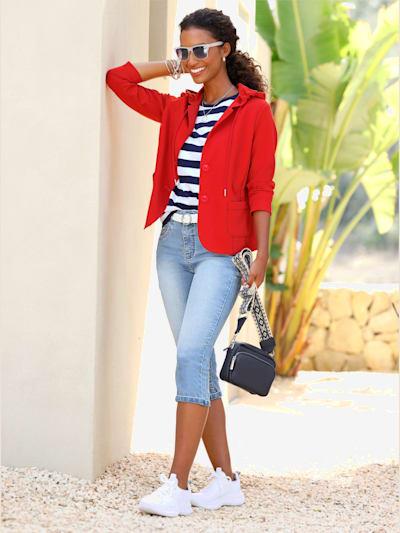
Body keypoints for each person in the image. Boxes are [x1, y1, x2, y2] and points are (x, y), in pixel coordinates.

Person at [106, 7, 277, 518]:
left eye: (201, 49)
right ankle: (225, 481)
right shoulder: (179, 109)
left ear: (226, 49)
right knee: (196, 360)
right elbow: (119, 80)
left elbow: (261, 187)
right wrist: (172, 65)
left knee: (190, 356)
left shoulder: (253, 112)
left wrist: (262, 252)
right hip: (172, 246)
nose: (192, 58)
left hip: (221, 251)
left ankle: (177, 484)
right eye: (185, 50)